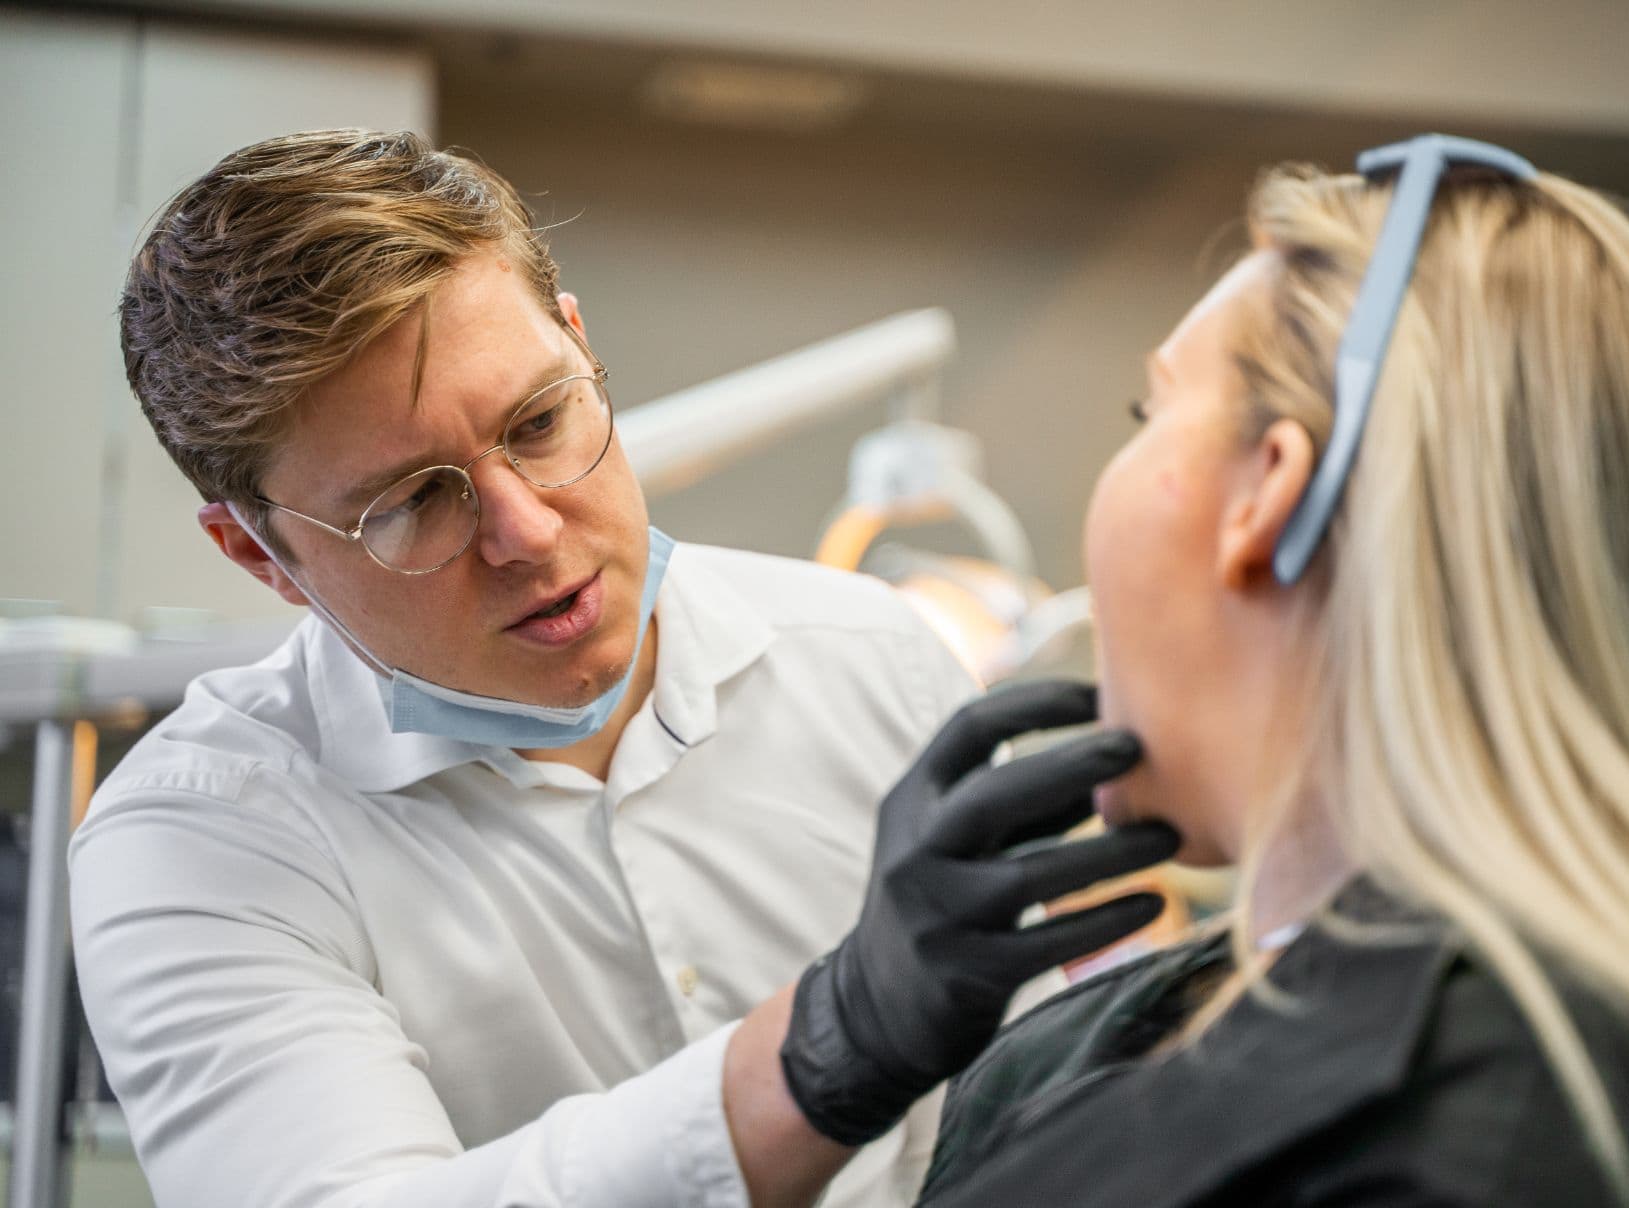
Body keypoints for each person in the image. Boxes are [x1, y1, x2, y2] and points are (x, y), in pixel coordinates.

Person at [70, 128, 1179, 1208]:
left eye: (542, 419)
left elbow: (1044, 1109)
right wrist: (823, 1050)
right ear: (260, 553)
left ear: (579, 341)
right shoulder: (200, 841)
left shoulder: (871, 653)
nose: (530, 534)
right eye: (410, 503)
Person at [916, 134, 1629, 1207]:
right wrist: (816, 1067)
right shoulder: (1568, 1035)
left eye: (1148, 413)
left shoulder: (1480, 1132)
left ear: (1268, 488)